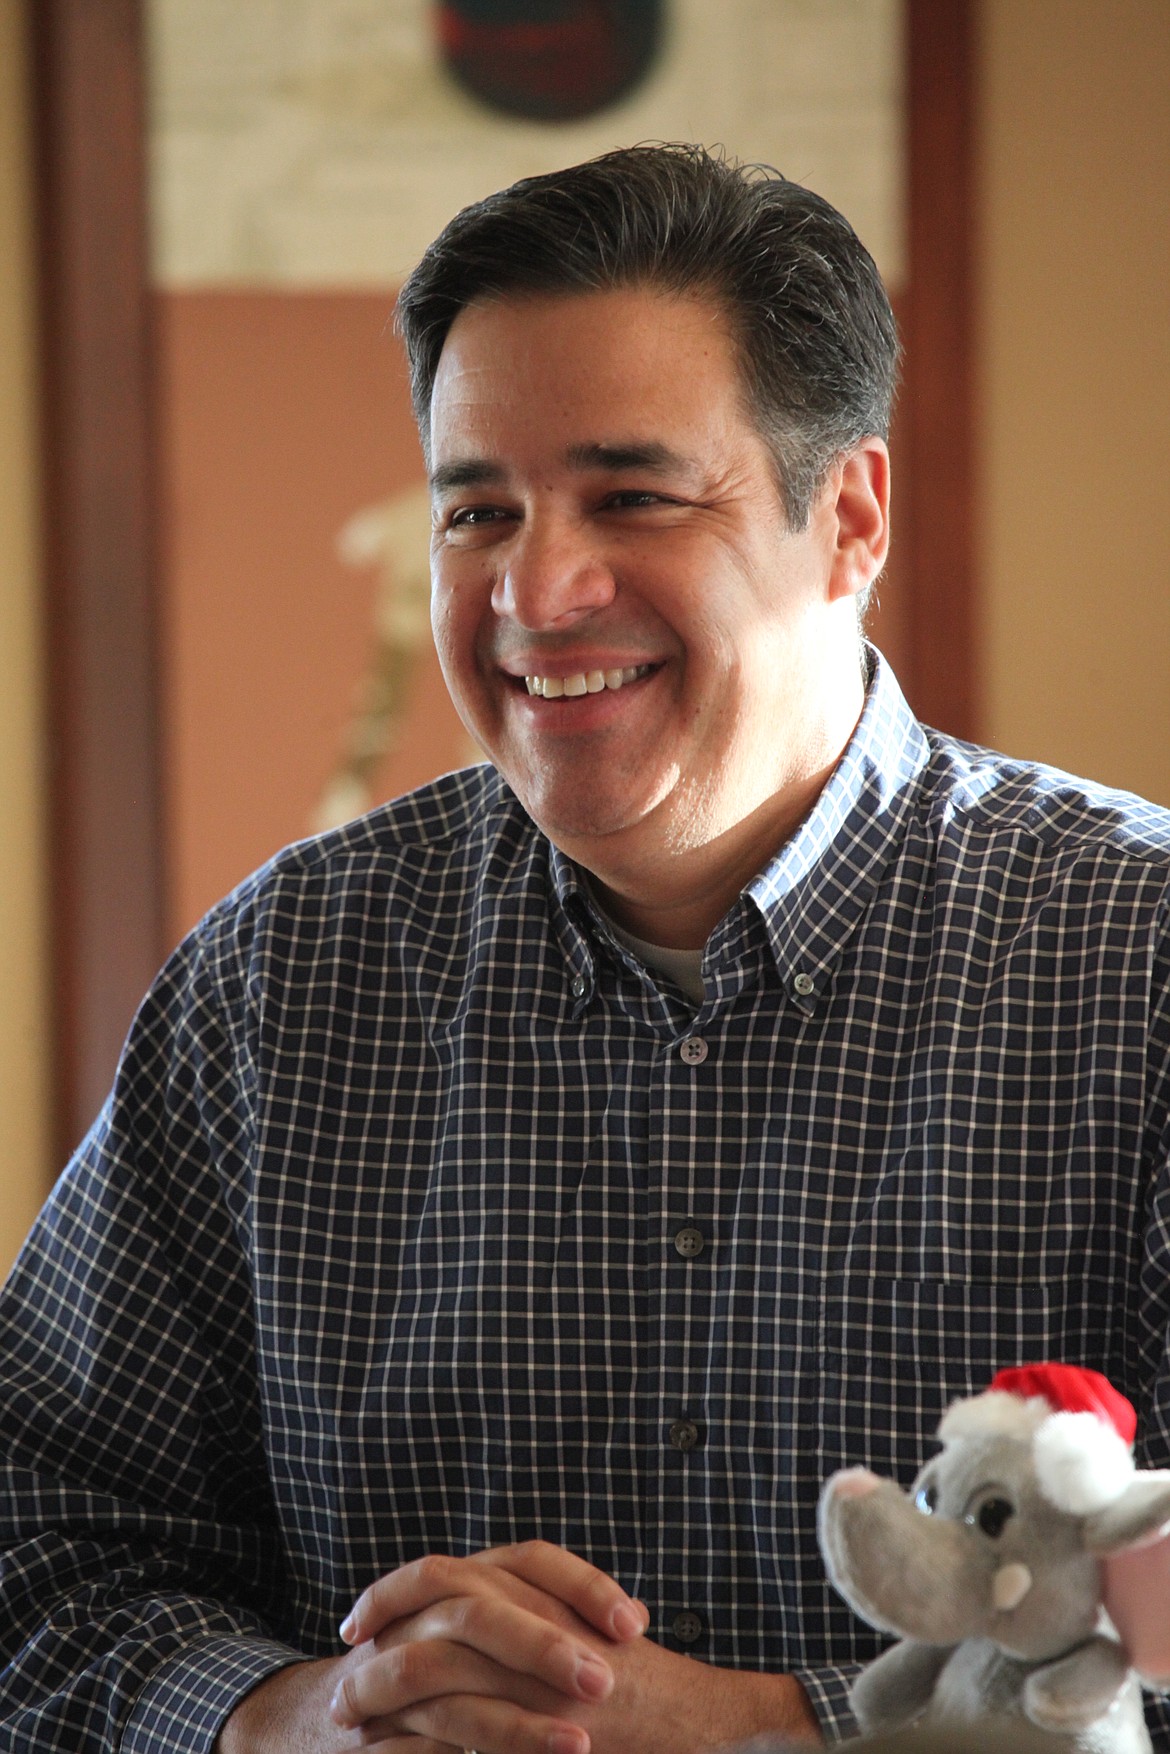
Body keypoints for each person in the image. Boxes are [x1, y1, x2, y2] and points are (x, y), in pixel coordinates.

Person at [1, 143, 1168, 1754]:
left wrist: (778, 1729)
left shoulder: (1137, 957)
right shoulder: (283, 980)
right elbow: (40, 1534)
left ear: (846, 517)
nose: (535, 590)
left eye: (631, 495)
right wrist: (298, 1715)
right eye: (475, 508)